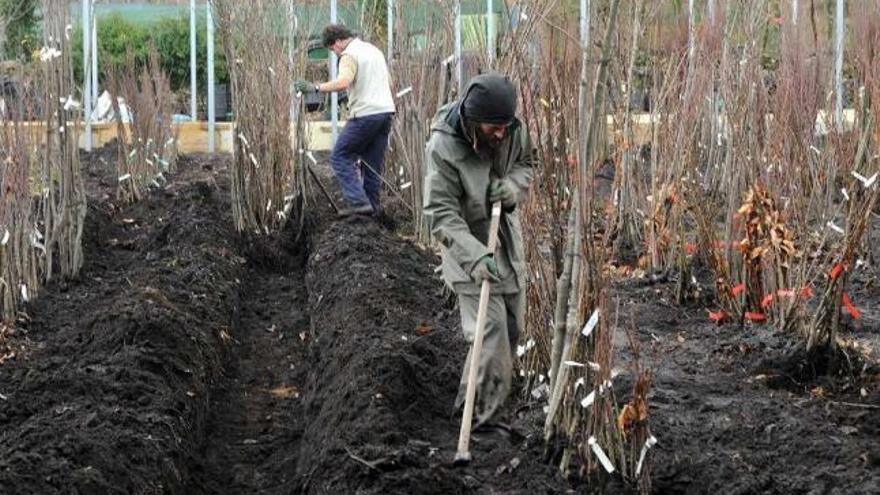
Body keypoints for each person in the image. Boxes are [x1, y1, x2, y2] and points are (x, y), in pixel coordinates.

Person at [423, 73, 534, 427]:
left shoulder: (511, 127)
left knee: (512, 327)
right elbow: (441, 214)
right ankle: (481, 423)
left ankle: (468, 402)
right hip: (467, 246)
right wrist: (475, 256)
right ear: (472, 122)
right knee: (490, 331)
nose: (501, 134)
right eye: (493, 128)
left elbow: (526, 164)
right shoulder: (444, 148)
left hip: (506, 241)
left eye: (506, 125)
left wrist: (512, 188)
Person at [296, 24, 395, 217]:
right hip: (385, 113)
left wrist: (314, 88)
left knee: (339, 156)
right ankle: (371, 214)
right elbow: (390, 83)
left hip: (365, 114)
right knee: (371, 166)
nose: (334, 52)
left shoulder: (349, 55)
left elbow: (343, 81)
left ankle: (358, 203)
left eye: (333, 48)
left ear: (339, 40)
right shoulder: (374, 51)